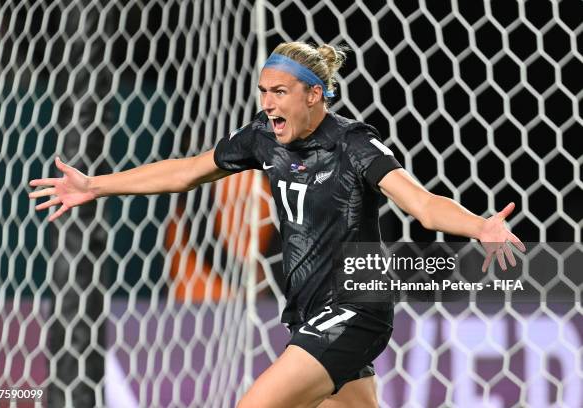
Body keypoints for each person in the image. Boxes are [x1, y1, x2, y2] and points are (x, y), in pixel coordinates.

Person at [29, 42, 525, 408]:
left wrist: (479, 226)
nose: (267, 102)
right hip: (307, 310)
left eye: (279, 92)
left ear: (314, 95)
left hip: (355, 307)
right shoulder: (263, 138)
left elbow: (423, 204)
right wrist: (97, 185)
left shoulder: (354, 145)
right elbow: (185, 172)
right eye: (264, 91)